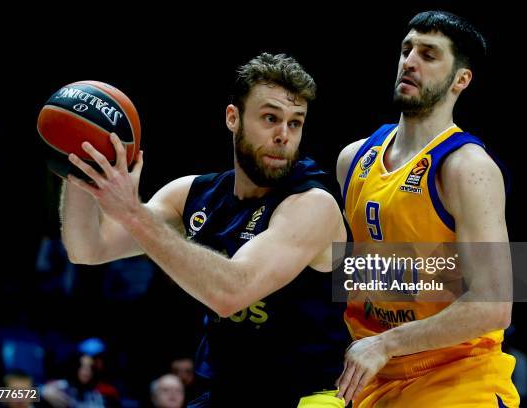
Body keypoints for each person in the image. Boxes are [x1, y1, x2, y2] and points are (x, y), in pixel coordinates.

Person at [61, 53, 349, 407]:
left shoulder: (312, 204)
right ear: (233, 118)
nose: (283, 136)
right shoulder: (192, 195)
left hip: (305, 396)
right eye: (270, 118)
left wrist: (133, 213)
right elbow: (87, 248)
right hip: (225, 392)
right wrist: (76, 161)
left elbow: (231, 292)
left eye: (295, 123)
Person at [335, 11, 519, 407]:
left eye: (429, 55)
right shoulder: (353, 159)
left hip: (458, 378)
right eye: (407, 50)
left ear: (460, 80)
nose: (410, 61)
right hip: (374, 379)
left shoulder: (468, 168)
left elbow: (494, 304)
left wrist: (387, 342)